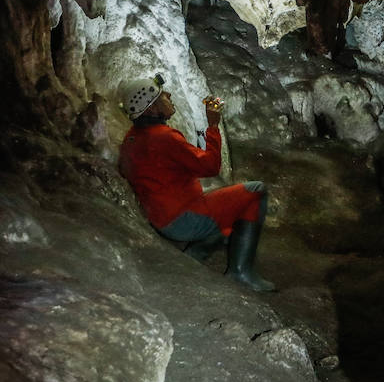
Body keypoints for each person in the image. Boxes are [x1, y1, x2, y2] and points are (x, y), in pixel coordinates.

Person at [117, 74, 275, 292]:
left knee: (227, 207)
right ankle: (241, 273)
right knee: (256, 192)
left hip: (162, 219)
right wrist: (212, 125)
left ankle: (196, 254)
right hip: (183, 220)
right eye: (162, 95)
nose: (169, 95)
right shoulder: (164, 137)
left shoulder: (132, 138)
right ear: (152, 109)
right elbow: (209, 167)